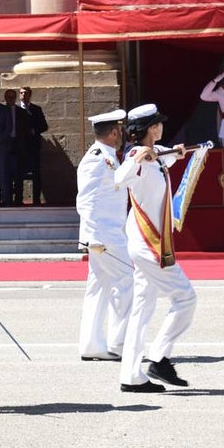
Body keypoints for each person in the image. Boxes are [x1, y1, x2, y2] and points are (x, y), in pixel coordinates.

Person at [113, 103, 197, 393]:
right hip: (148, 244)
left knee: (142, 308)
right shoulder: (137, 155)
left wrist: (178, 152)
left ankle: (130, 375)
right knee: (186, 298)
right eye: (158, 123)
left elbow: (163, 162)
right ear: (151, 128)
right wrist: (137, 159)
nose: (161, 126)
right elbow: (119, 178)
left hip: (146, 243)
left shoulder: (156, 156)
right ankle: (159, 358)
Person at [75, 109, 131, 362]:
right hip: (104, 234)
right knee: (127, 282)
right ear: (114, 132)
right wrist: (92, 235)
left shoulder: (107, 156)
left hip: (109, 231)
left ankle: (92, 344)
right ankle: (120, 344)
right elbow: (85, 199)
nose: (121, 134)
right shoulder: (97, 158)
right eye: (119, 130)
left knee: (100, 286)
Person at [17, 86, 48, 203]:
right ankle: (18, 199)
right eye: (21, 93)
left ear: (30, 95)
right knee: (18, 173)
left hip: (33, 146)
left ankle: (36, 199)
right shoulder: (15, 109)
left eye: (25, 93)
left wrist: (34, 130)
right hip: (19, 147)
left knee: (36, 173)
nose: (23, 95)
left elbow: (44, 126)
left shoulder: (36, 109)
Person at [3, 88, 32, 205]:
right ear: (5, 98)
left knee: (19, 174)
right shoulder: (1, 111)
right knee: (6, 173)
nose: (10, 99)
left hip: (19, 145)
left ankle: (19, 198)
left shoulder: (22, 112)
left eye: (12, 96)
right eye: (8, 96)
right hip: (4, 145)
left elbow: (27, 129)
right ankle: (7, 198)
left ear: (15, 98)